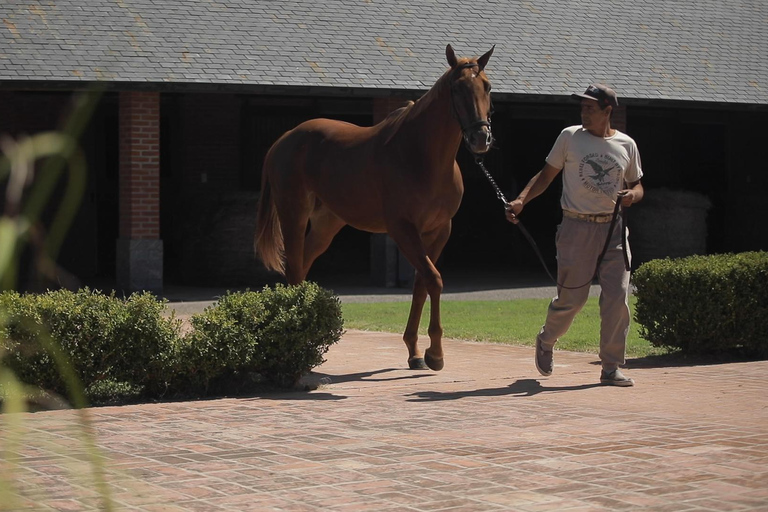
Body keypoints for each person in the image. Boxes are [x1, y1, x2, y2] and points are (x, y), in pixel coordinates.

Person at [505, 83, 644, 387]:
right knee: (573, 299)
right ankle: (546, 338)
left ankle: (610, 367)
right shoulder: (570, 137)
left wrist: (632, 194)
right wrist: (521, 200)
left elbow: (638, 184)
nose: (584, 112)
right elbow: (545, 175)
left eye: (590, 108)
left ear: (608, 111)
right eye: (582, 107)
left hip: (614, 229)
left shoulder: (626, 145)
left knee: (617, 297)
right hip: (576, 226)